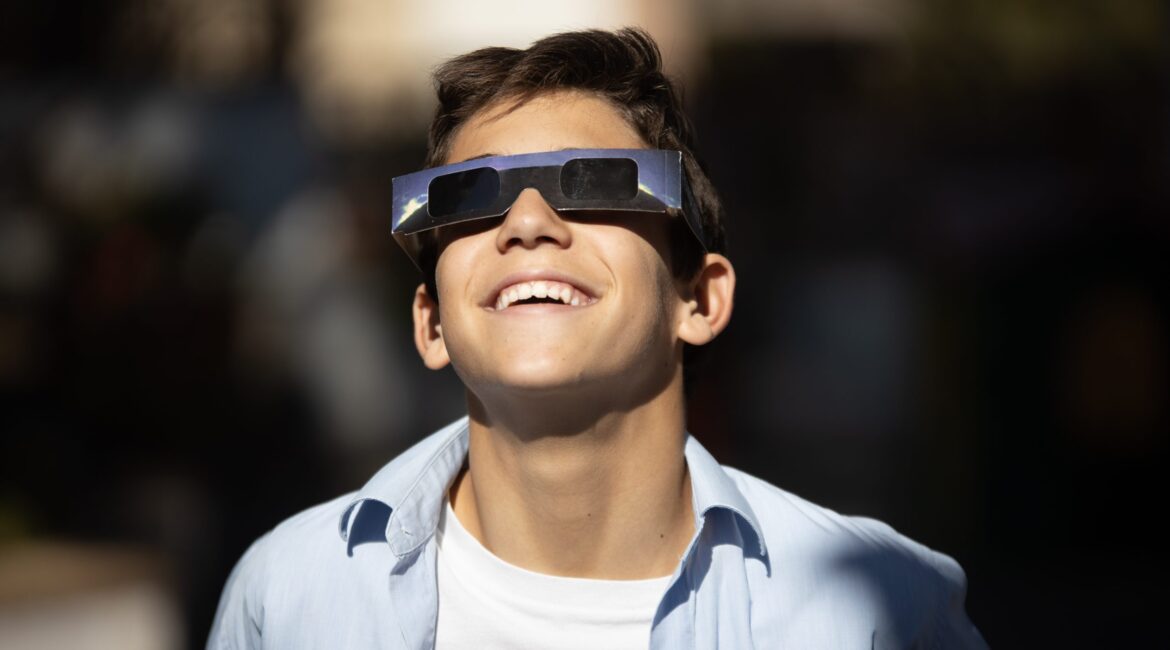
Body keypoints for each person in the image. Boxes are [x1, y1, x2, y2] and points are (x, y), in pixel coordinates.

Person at [208, 28, 986, 649]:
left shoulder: (880, 611)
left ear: (701, 297)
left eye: (599, 183)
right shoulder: (288, 593)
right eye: (470, 195)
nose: (527, 223)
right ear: (432, 322)